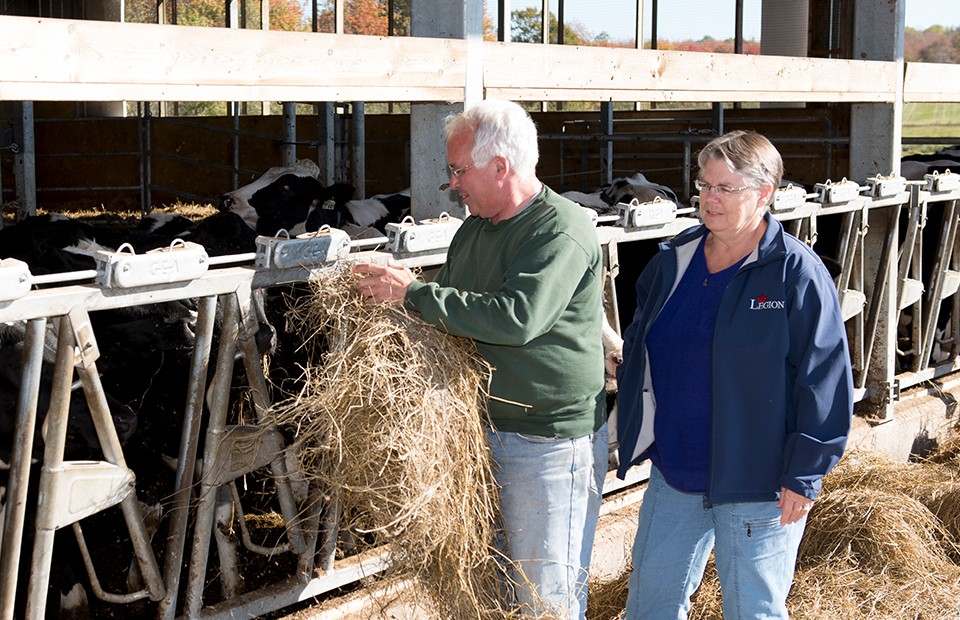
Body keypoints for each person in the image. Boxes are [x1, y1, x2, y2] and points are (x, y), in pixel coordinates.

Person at [352, 98, 608, 619]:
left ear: (500, 166)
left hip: (548, 444)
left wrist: (415, 295)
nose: (451, 184)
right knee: (489, 593)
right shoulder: (475, 229)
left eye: (457, 170)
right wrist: (393, 296)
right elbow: (452, 306)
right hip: (479, 433)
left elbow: (518, 317)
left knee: (544, 600)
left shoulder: (559, 230)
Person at [614, 130, 853, 619]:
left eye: (725, 188)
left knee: (753, 611)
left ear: (763, 194)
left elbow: (825, 379)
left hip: (758, 481)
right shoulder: (673, 260)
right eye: (703, 185)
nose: (709, 198)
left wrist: (804, 474)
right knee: (649, 607)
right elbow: (641, 337)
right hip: (675, 471)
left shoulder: (794, 272)